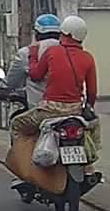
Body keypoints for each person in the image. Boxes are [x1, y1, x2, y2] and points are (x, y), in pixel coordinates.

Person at [11, 15, 102, 166]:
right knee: (92, 133)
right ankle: (88, 166)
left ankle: (23, 165)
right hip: (76, 111)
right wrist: (88, 108)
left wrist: (33, 55)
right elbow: (92, 92)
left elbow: (35, 74)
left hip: (50, 111)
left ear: (65, 34)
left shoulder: (52, 52)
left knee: (17, 124)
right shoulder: (88, 58)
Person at [2, 13, 63, 108]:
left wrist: (4, 88)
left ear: (36, 33)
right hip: (70, 106)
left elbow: (12, 80)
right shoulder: (69, 51)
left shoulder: (26, 52)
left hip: (40, 107)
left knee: (18, 118)